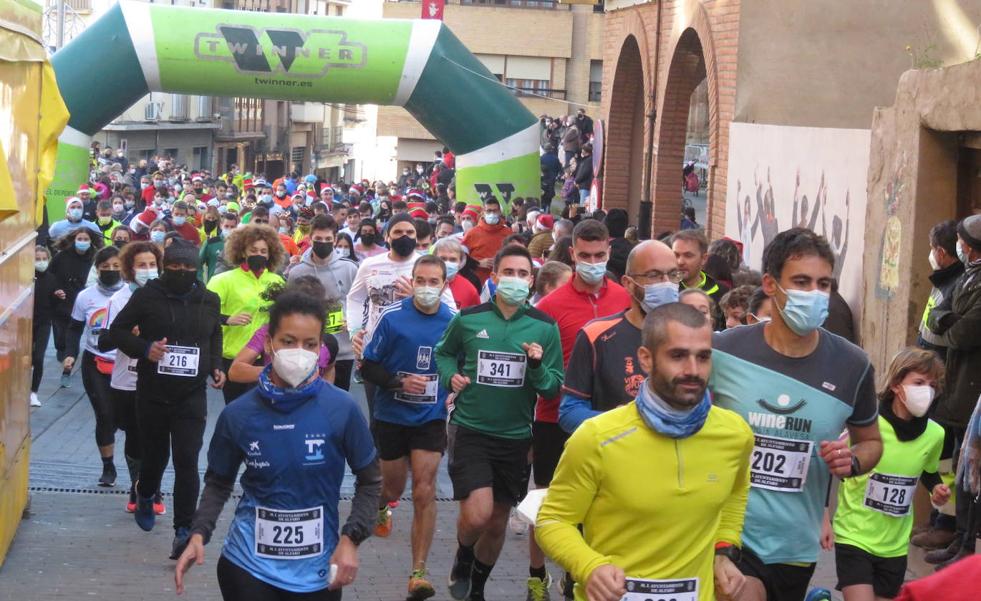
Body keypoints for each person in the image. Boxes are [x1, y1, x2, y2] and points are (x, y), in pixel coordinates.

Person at [537, 302, 753, 601]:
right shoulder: (597, 437)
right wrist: (590, 566)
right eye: (677, 356)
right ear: (646, 359)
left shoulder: (735, 434)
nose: (692, 370)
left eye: (703, 357)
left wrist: (724, 551)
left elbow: (735, 493)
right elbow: (553, 520)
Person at [174, 289, 381, 600]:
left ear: (320, 346)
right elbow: (218, 482)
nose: (299, 351)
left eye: (309, 344)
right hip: (247, 565)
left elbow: (371, 481)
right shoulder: (239, 415)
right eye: (288, 341)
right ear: (268, 343)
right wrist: (199, 533)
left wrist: (351, 539)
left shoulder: (341, 408)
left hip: (319, 571)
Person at [710, 228, 882, 601]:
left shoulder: (852, 365)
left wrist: (851, 461)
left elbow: (871, 442)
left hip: (795, 545)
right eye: (801, 282)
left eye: (823, 284)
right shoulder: (722, 352)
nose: (814, 294)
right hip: (728, 535)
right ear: (771, 285)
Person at [435, 244, 564, 601]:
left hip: (516, 435)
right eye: (508, 273)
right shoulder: (469, 318)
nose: (515, 280)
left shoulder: (544, 328)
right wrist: (451, 377)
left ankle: (477, 587)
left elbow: (552, 387)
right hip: (471, 428)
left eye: (523, 274)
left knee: (496, 523)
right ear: (494, 277)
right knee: (478, 514)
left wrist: (536, 366)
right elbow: (443, 353)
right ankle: (463, 556)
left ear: (532, 280)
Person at [101, 239, 226, 559]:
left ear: (196, 269)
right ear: (165, 267)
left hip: (191, 395)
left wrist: (215, 366)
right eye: (174, 267)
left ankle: (183, 529)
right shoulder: (147, 295)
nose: (181, 272)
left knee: (187, 460)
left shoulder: (208, 299)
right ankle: (145, 492)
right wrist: (146, 349)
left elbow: (214, 334)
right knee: (154, 457)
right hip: (153, 392)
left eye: (187, 267)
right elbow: (116, 332)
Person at [530, 219, 631, 595]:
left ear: (609, 252)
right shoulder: (550, 305)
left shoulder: (624, 298)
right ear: (571, 254)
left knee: (600, 506)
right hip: (555, 417)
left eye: (600, 255)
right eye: (585, 256)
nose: (593, 262)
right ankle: (536, 574)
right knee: (547, 506)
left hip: (609, 418)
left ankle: (582, 578)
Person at [361, 255, 456, 600]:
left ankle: (418, 572)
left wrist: (455, 384)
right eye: (421, 280)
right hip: (392, 416)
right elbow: (367, 368)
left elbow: (461, 365)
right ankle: (383, 504)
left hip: (429, 418)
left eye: (434, 281)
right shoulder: (392, 318)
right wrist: (397, 382)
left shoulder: (454, 322)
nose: (427, 287)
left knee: (424, 490)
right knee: (393, 487)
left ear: (444, 285)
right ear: (411, 281)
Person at [831, 348, 949, 601]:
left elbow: (928, 471)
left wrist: (936, 490)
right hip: (854, 535)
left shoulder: (935, 434)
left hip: (894, 545)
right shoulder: (866, 425)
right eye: (918, 382)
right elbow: (836, 465)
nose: (926, 391)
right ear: (896, 384)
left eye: (932, 385)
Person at [559, 240, 682, 433]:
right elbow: (569, 412)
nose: (666, 283)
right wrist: (618, 420)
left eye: (673, 275)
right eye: (654, 275)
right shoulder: (595, 336)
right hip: (612, 455)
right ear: (628, 283)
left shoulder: (690, 337)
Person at [923, 214, 981, 567]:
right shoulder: (967, 278)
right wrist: (949, 320)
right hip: (960, 387)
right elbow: (938, 315)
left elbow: (962, 333)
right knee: (960, 470)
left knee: (971, 472)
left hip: (972, 390)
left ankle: (966, 544)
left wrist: (949, 321)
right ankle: (959, 538)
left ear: (968, 246)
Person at [104, 241, 165, 514]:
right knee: (135, 435)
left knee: (158, 437)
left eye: (152, 265)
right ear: (130, 268)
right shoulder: (118, 300)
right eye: (142, 265)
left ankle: (154, 489)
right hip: (126, 379)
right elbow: (107, 338)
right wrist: (130, 335)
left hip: (160, 378)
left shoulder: (165, 297)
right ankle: (137, 487)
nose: (148, 270)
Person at [63, 246, 126, 485]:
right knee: (105, 414)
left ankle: (138, 471)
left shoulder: (133, 295)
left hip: (127, 363)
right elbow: (74, 328)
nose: (110, 271)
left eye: (116, 267)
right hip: (95, 362)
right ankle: (108, 467)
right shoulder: (85, 297)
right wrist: (70, 353)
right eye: (105, 267)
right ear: (97, 269)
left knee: (130, 419)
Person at [207, 224, 286, 404]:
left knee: (266, 411)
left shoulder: (277, 281)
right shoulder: (223, 280)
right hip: (233, 357)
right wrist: (228, 319)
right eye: (253, 250)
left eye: (263, 251)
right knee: (237, 411)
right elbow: (203, 313)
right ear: (243, 252)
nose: (259, 254)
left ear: (270, 254)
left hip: (266, 358)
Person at [286, 215, 358, 390]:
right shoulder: (297, 272)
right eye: (318, 239)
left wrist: (353, 321)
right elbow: (289, 308)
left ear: (334, 240)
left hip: (341, 350)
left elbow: (359, 302)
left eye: (328, 239)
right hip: (307, 350)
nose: (323, 243)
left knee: (337, 400)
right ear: (310, 239)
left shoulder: (350, 268)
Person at [228, 278, 339, 386]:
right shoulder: (269, 331)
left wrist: (324, 390)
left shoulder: (329, 343)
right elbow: (235, 371)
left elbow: (329, 368)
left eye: (310, 344)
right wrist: (275, 373)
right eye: (288, 342)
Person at [48, 228, 98, 387]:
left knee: (73, 336)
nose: (82, 242)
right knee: (61, 336)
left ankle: (68, 366)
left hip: (83, 303)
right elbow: (50, 275)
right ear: (74, 239)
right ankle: (62, 352)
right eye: (80, 238)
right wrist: (55, 290)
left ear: (91, 241)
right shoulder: (62, 256)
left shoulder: (94, 258)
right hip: (62, 302)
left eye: (86, 239)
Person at [917, 220, 963, 360]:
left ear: (942, 252)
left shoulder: (959, 283)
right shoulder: (942, 276)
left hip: (938, 361)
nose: (931, 254)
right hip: (927, 353)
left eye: (932, 248)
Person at [672, 229, 730, 327]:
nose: (680, 262)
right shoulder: (665, 289)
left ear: (703, 259)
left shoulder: (721, 292)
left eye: (688, 255)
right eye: (676, 255)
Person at [462, 198, 511, 283]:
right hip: (478, 282)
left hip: (502, 281)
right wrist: (478, 263)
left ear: (499, 212)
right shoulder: (472, 233)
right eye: (488, 211)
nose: (492, 214)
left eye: (495, 211)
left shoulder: (508, 233)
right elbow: (461, 256)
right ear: (483, 212)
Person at [31, 246, 56, 407]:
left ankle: (33, 392)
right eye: (37, 259)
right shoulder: (26, 278)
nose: (41, 262)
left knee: (38, 357)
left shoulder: (52, 279)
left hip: (44, 323)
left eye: (43, 259)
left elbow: (54, 304)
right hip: (26, 322)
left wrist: (58, 297)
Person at [434, 237, 481, 310]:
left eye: (453, 260)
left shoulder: (470, 290)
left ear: (461, 262)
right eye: (443, 258)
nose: (447, 263)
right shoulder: (422, 282)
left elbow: (475, 317)